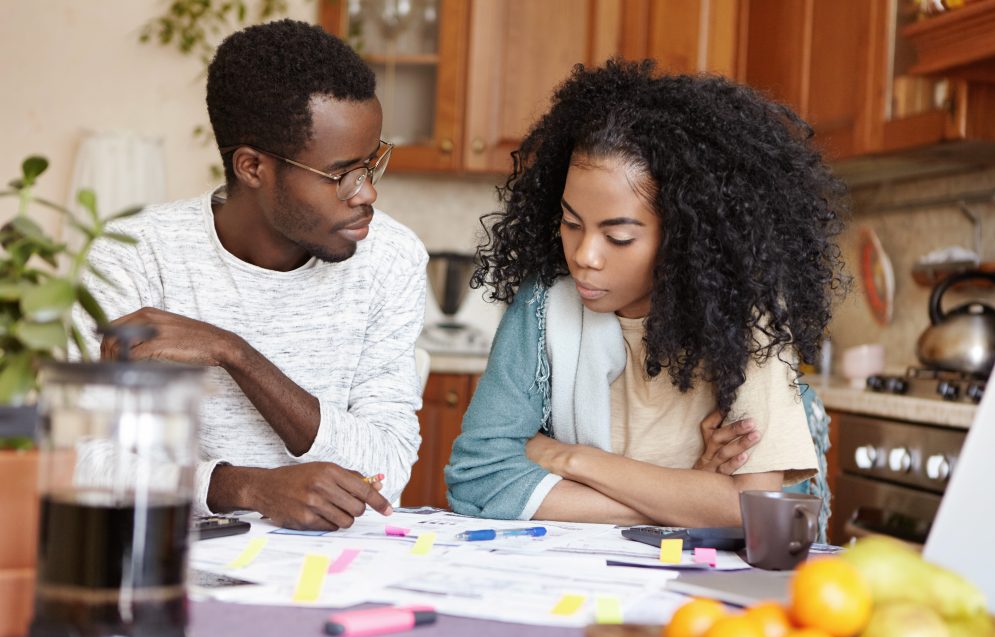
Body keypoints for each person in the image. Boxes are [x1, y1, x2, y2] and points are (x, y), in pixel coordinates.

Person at [445, 59, 847, 527]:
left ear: (684, 236)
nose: (585, 255)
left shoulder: (746, 316)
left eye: (618, 237)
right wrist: (688, 495)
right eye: (572, 223)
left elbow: (755, 511)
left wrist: (574, 461)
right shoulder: (544, 305)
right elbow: (475, 481)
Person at [72, 20, 427, 530]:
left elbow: (385, 471)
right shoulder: (133, 256)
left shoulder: (391, 257)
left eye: (372, 163)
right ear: (253, 168)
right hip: (170, 559)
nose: (366, 192)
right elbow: (81, 458)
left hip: (335, 563)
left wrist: (235, 353)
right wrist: (244, 487)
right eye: (341, 174)